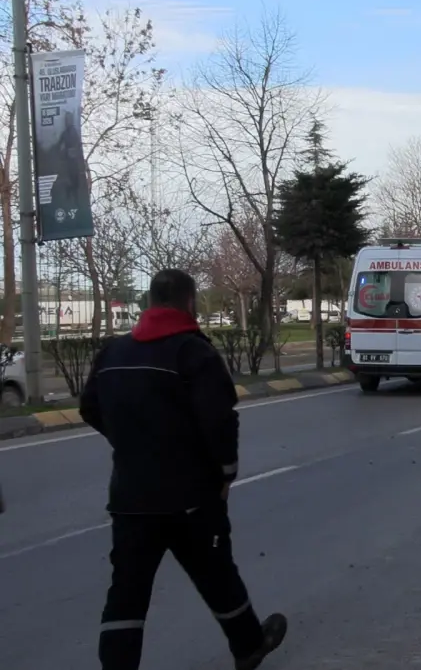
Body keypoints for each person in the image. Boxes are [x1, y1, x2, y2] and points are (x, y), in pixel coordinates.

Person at [79, 269, 287, 670]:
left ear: (150, 302)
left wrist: (129, 442)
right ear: (189, 303)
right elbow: (219, 421)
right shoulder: (194, 353)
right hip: (191, 497)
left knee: (126, 593)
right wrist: (225, 473)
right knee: (215, 574)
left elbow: (90, 408)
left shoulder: (113, 353)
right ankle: (248, 646)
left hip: (130, 497)